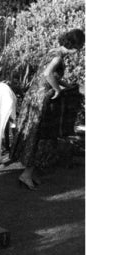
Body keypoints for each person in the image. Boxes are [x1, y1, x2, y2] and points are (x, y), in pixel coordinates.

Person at [11, 28, 85, 190]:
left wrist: (65, 84)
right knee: (37, 135)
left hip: (33, 95)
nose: (78, 52)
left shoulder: (53, 51)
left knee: (34, 134)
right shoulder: (58, 58)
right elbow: (47, 74)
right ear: (75, 46)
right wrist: (58, 90)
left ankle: (30, 172)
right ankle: (26, 175)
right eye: (79, 48)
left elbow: (52, 75)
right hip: (41, 98)